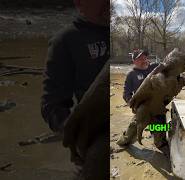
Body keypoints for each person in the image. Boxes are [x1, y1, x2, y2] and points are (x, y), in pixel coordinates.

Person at [41, 0, 108, 133]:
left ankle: (158, 135)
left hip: (130, 108)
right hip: (95, 129)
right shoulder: (66, 41)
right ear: (79, 3)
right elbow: (52, 104)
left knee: (157, 123)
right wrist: (72, 129)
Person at [116, 49, 168, 149]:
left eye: (144, 57)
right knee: (128, 136)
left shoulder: (156, 67)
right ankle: (122, 143)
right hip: (142, 108)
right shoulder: (131, 74)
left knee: (160, 142)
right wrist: (132, 104)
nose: (143, 59)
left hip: (158, 106)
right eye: (140, 58)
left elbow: (169, 70)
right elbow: (126, 94)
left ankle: (158, 137)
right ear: (134, 61)